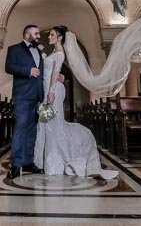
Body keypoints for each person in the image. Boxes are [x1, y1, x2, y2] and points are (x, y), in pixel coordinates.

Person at [34, 25, 118, 179]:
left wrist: (51, 91)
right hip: (49, 89)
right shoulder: (54, 52)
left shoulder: (59, 54)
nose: (49, 37)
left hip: (53, 91)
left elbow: (54, 73)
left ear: (60, 38)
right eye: (50, 35)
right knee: (47, 124)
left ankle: (59, 161)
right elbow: (50, 68)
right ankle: (49, 161)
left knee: (52, 124)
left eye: (52, 35)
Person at [5, 25, 46, 179]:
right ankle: (15, 164)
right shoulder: (14, 49)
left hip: (37, 96)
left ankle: (28, 161)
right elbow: (9, 67)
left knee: (32, 130)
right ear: (27, 35)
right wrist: (28, 71)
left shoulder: (39, 51)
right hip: (22, 96)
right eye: (36, 33)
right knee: (21, 129)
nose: (38, 36)